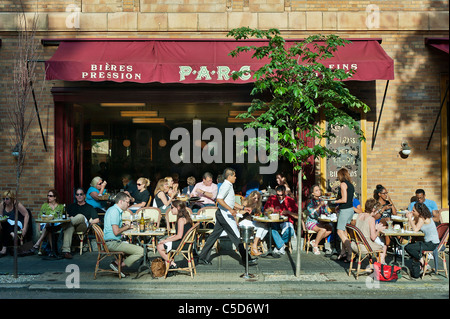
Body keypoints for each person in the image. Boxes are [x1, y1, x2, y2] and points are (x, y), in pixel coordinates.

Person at [198, 167, 256, 266]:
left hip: (222, 214)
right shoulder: (226, 186)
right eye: (234, 175)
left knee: (213, 237)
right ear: (229, 176)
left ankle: (202, 258)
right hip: (225, 215)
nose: (236, 177)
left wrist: (243, 207)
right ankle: (247, 260)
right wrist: (230, 210)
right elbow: (219, 199)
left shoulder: (228, 185)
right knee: (236, 236)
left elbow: (231, 202)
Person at [103, 192, 144, 277]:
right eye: (127, 202)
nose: (128, 205)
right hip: (112, 243)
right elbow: (116, 232)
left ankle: (117, 263)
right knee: (141, 251)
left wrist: (127, 227)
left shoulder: (113, 210)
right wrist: (127, 227)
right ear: (121, 201)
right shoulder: (115, 212)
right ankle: (117, 265)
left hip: (111, 241)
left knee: (132, 246)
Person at [60, 188, 100, 259]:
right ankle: (66, 252)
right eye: (77, 194)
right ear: (75, 196)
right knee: (69, 227)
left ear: (84, 196)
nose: (79, 196)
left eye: (81, 194)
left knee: (80, 216)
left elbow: (97, 219)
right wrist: (69, 217)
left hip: (83, 226)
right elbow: (66, 216)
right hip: (72, 226)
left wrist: (89, 222)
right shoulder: (71, 206)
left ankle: (63, 226)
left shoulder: (89, 207)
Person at [405, 202, 440, 278]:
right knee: (410, 246)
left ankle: (421, 260)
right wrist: (411, 218)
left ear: (419, 211)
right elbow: (410, 226)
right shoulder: (421, 217)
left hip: (431, 244)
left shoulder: (422, 217)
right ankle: (422, 261)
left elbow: (415, 229)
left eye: (414, 210)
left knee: (408, 247)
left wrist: (409, 218)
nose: (412, 212)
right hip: (428, 242)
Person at [157, 200, 193, 269]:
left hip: (183, 244)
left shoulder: (181, 220)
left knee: (159, 247)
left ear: (178, 207)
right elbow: (180, 234)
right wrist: (168, 238)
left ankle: (172, 264)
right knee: (163, 242)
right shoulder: (185, 217)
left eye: (172, 207)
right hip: (187, 243)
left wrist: (165, 241)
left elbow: (179, 236)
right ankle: (170, 264)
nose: (171, 209)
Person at [263, 185, 298, 257]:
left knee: (290, 231)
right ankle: (281, 246)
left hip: (287, 221)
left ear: (285, 192)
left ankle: (278, 246)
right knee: (271, 227)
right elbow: (264, 212)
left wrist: (288, 212)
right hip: (274, 221)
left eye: (281, 195)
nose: (280, 197)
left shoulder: (290, 200)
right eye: (278, 195)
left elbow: (298, 216)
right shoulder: (272, 199)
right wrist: (268, 210)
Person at [29, 189, 65, 255]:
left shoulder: (61, 207)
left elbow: (62, 217)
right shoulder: (45, 205)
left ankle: (38, 243)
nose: (49, 197)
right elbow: (40, 216)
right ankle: (53, 251)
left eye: (51, 196)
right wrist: (40, 225)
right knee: (48, 227)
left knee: (49, 228)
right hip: (46, 224)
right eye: (48, 196)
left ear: (55, 197)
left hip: (57, 225)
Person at [352, 198, 387, 264]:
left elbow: (364, 228)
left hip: (356, 244)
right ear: (373, 209)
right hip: (366, 245)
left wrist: (375, 228)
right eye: (377, 210)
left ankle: (380, 263)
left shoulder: (359, 215)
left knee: (381, 240)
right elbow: (373, 237)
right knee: (384, 245)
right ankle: (381, 264)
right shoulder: (371, 219)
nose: (377, 212)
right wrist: (378, 230)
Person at [331, 168, 354, 263]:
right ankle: (343, 253)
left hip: (345, 211)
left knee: (340, 232)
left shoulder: (343, 184)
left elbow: (344, 199)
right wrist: (338, 206)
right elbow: (349, 200)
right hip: (350, 210)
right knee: (344, 233)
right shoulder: (351, 185)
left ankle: (351, 252)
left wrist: (334, 201)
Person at [1, 190, 30, 257]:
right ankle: (12, 233)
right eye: (3, 198)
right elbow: (1, 217)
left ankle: (4, 247)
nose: (5, 200)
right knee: (4, 223)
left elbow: (26, 215)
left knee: (7, 224)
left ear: (11, 198)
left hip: (16, 223)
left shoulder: (16, 204)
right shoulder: (2, 205)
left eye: (7, 198)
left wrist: (25, 228)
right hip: (6, 224)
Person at [305, 185, 332, 255]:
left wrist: (326, 211)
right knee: (323, 230)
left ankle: (314, 241)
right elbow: (312, 213)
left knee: (330, 229)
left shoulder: (322, 200)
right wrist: (319, 205)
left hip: (320, 222)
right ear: (312, 193)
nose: (319, 191)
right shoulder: (310, 202)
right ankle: (315, 246)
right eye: (316, 190)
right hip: (311, 222)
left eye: (319, 190)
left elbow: (325, 212)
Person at [239, 191, 267, 256]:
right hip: (244, 221)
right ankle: (254, 246)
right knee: (262, 227)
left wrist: (262, 214)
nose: (256, 200)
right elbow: (240, 212)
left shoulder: (257, 203)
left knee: (265, 227)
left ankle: (255, 242)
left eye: (258, 198)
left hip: (251, 221)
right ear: (251, 197)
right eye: (255, 198)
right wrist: (247, 209)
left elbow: (259, 214)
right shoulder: (246, 201)